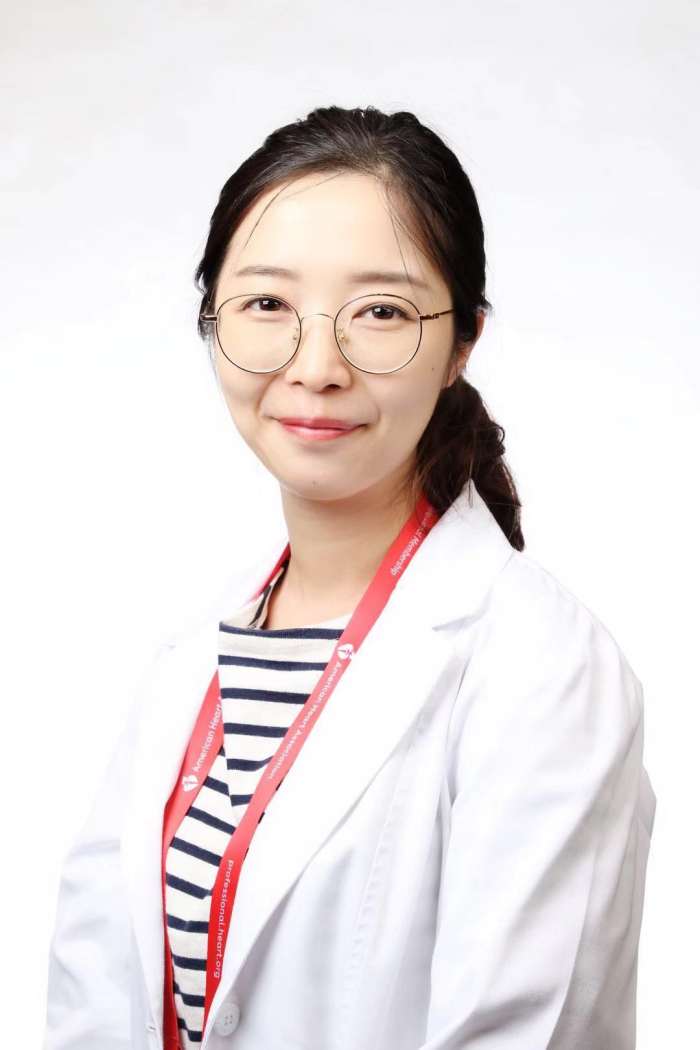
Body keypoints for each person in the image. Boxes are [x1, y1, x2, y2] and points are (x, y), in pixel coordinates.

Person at [43, 105, 657, 1050]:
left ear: (463, 343)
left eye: (381, 312)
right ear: (213, 323)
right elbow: (92, 995)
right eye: (266, 305)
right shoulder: (192, 653)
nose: (316, 366)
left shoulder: (540, 666)